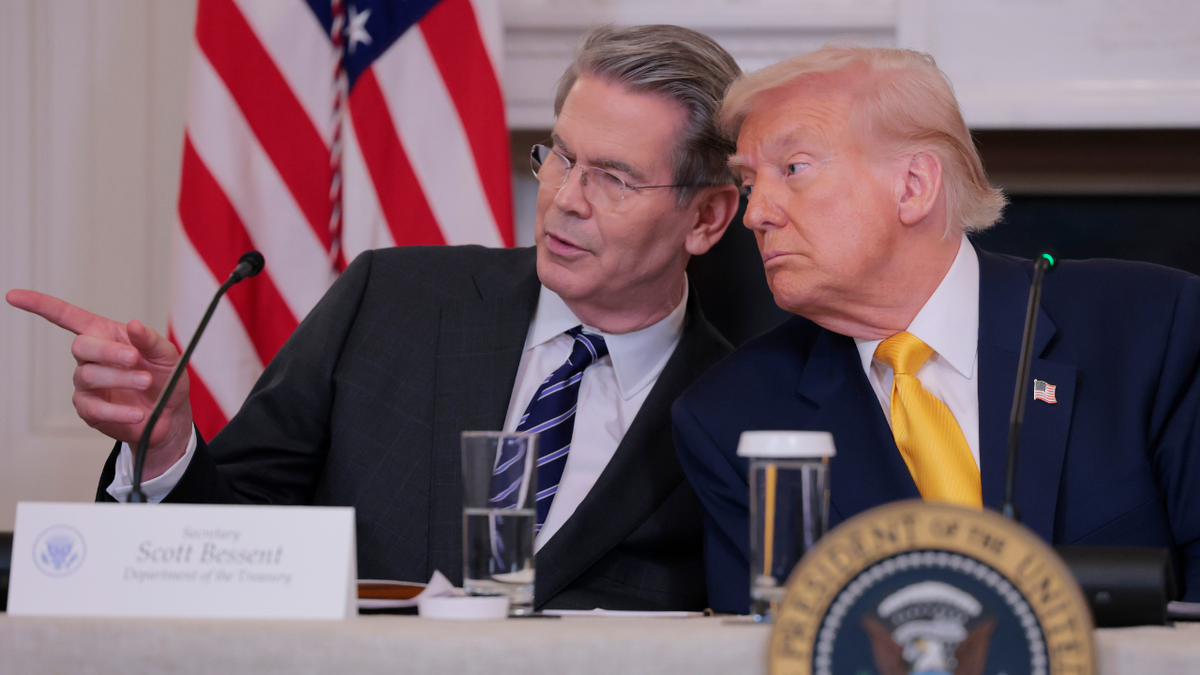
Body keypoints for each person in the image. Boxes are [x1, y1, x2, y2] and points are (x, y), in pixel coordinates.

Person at [6, 24, 742, 611]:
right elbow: (223, 542)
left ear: (706, 217)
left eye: (611, 178)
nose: (566, 198)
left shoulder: (741, 406)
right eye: (561, 158)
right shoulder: (390, 301)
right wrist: (165, 447)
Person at [671, 45, 1200, 614]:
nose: (755, 213)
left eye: (793, 168)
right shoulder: (730, 415)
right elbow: (757, 645)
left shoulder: (1152, 327)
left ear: (913, 186)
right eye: (750, 183)